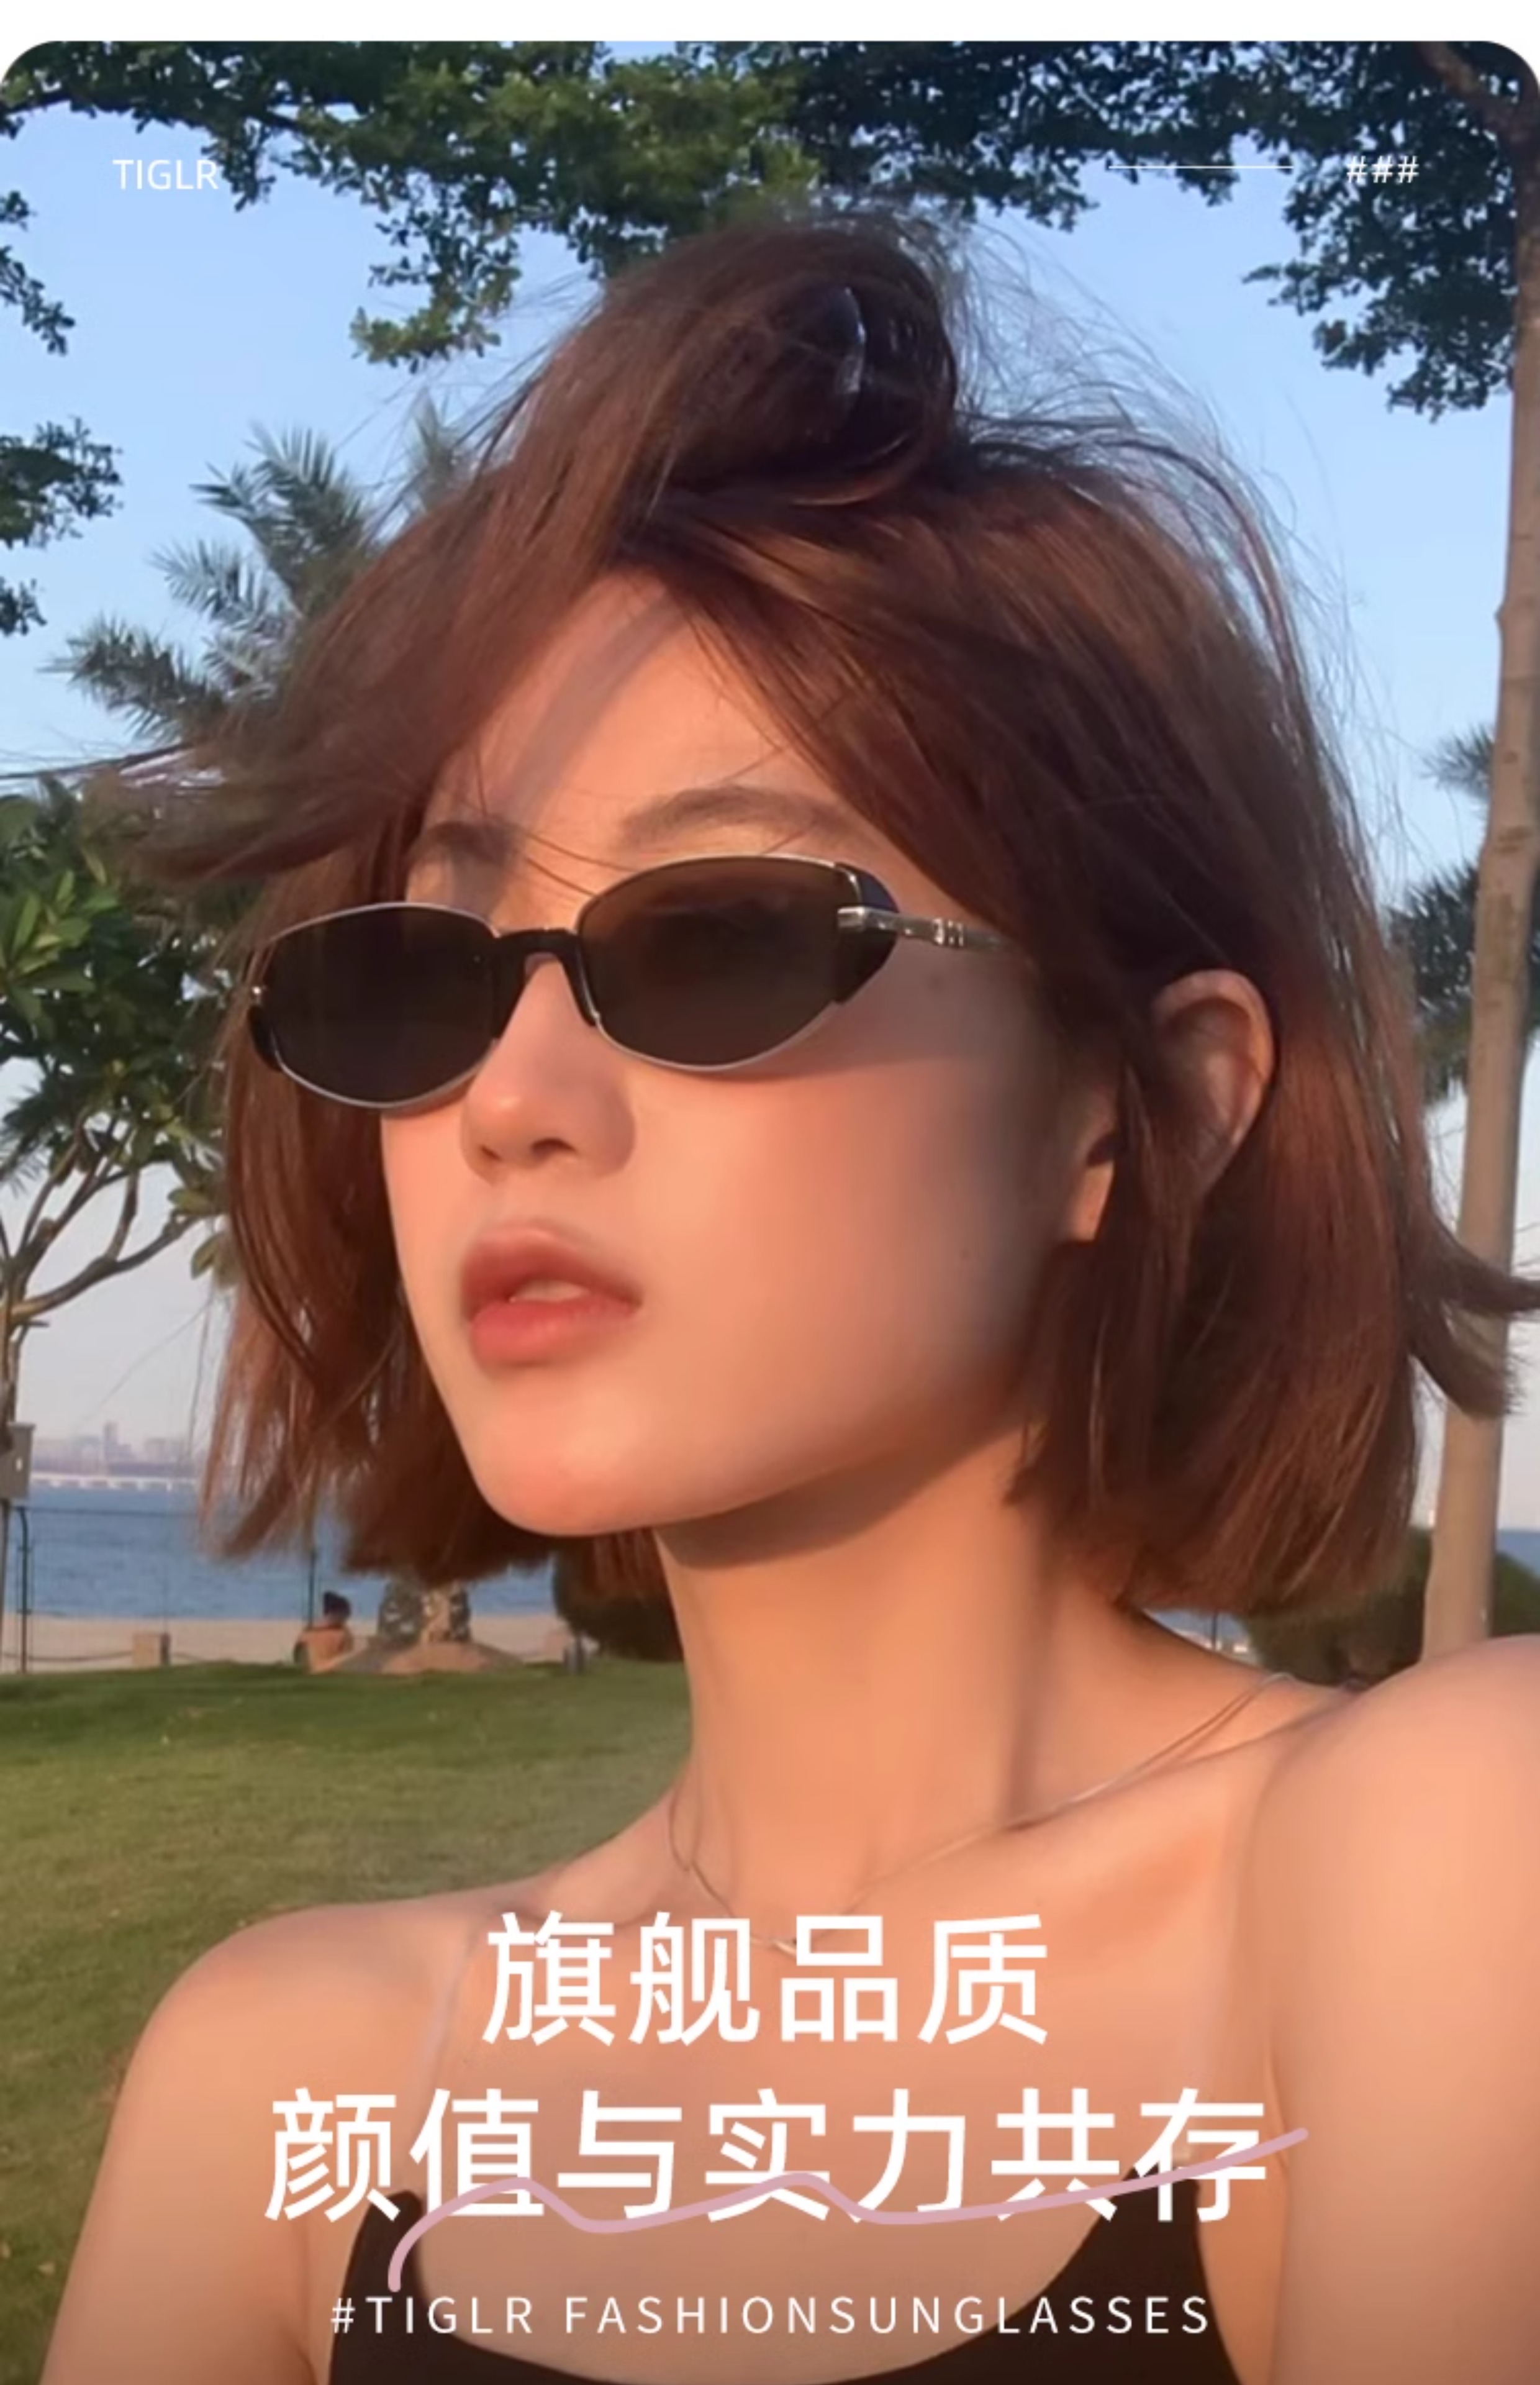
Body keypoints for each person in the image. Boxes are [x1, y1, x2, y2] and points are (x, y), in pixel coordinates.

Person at [43, 204, 1540, 2385]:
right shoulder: (289, 2073)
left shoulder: (1443, 1854)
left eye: (721, 939)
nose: (508, 1103)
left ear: (1141, 1104)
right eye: (424, 976)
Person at [291, 1589, 356, 1672]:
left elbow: (298, 1658)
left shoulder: (307, 1632)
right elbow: (347, 1661)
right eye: (346, 1614)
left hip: (311, 1673)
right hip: (332, 1673)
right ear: (338, 1613)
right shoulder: (344, 1634)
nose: (347, 1618)